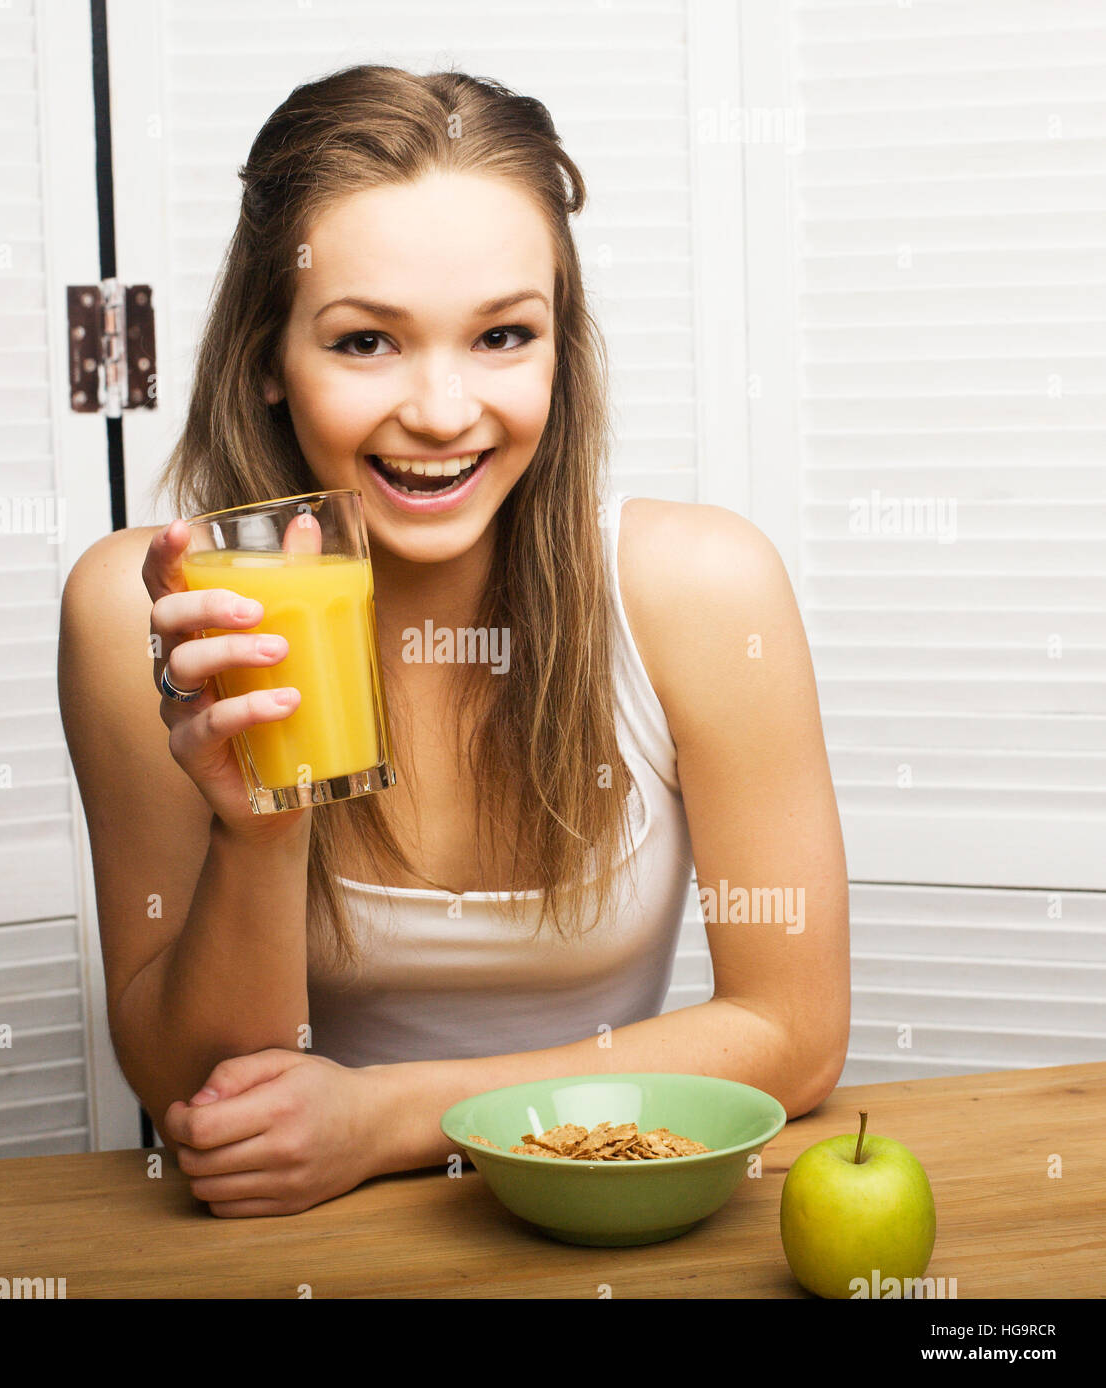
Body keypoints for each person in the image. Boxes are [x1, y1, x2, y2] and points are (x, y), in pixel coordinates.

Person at [58, 65, 850, 1218]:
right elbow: (207, 1104)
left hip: (604, 1217)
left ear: (558, 350)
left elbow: (793, 1029)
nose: (439, 411)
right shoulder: (146, 610)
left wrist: (389, 1118)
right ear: (267, 360)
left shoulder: (701, 592)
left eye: (501, 336)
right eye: (366, 341)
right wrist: (260, 831)